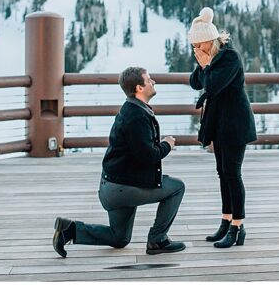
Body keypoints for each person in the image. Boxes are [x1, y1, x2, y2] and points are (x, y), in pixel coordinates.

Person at [53, 67, 186, 257]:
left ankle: (70, 230)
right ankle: (158, 240)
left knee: (120, 238)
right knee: (177, 187)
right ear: (139, 88)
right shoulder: (136, 116)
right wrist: (167, 145)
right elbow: (147, 156)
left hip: (113, 186)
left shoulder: (132, 109)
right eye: (149, 80)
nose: (153, 82)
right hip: (123, 188)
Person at [188, 7, 257, 248]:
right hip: (219, 123)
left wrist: (206, 66)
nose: (196, 51)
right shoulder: (209, 59)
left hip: (235, 124)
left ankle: (238, 226)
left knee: (232, 173)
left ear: (210, 41)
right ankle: (226, 221)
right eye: (194, 47)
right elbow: (195, 82)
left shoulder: (229, 57)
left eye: (199, 46)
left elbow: (213, 86)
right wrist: (202, 64)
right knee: (222, 172)